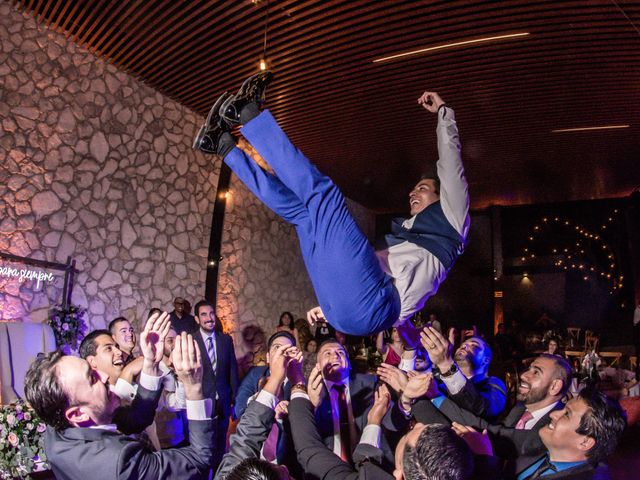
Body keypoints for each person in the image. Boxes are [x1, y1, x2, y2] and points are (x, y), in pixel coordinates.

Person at [193, 73, 469, 339]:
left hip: (375, 306)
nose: (412, 193)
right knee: (303, 214)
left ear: (441, 197)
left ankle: (249, 113)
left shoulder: (453, 219)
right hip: (346, 307)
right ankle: (222, 145)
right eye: (413, 189)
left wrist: (445, 113)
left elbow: (451, 163)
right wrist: (336, 305)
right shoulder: (406, 236)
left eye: (422, 189)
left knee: (324, 197)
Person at [24, 312, 215, 480]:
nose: (104, 376)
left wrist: (150, 363)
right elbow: (199, 459)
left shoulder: (58, 427)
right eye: (92, 378)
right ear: (77, 415)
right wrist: (193, 386)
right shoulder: (118, 464)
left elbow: (136, 418)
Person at [410, 354, 573, 474]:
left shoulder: (555, 427)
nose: (523, 375)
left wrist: (434, 396)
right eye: (528, 369)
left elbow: (489, 432)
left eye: (536, 372)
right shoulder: (520, 408)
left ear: (555, 387)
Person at [216, 343, 301, 479]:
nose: (285, 468)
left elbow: (245, 441)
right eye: (289, 478)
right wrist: (299, 383)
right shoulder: (256, 374)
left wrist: (275, 378)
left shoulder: (232, 475)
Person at [192, 299, 239, 470]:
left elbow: (232, 370)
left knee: (220, 447)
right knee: (203, 449)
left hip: (223, 403)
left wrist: (235, 399)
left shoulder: (225, 340)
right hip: (201, 403)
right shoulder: (191, 341)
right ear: (197, 319)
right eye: (204, 314)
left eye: (211, 313)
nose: (209, 318)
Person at [420, 326, 507, 419]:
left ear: (485, 360)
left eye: (474, 345)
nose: (464, 346)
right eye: (462, 345)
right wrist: (409, 349)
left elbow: (483, 409)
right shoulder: (441, 379)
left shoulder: (493, 384)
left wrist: (446, 364)